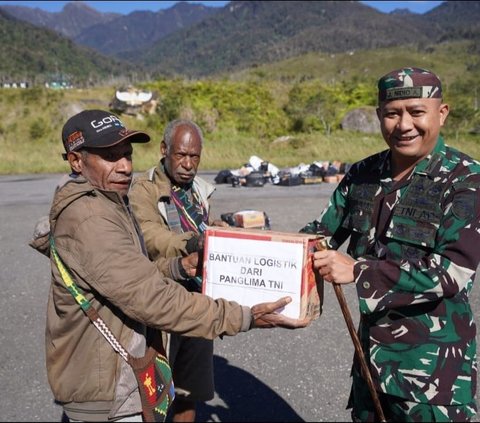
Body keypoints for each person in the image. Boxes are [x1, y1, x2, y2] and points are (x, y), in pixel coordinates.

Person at [29, 109, 310, 422]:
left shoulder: (109, 202)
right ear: (76, 161)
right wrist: (244, 315)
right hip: (106, 389)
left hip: (125, 368)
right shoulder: (93, 218)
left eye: (126, 154)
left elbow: (135, 270)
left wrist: (178, 268)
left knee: (188, 392)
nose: (124, 166)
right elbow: (148, 293)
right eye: (110, 157)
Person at [300, 67, 480, 422]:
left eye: (416, 112)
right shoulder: (363, 175)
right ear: (380, 115)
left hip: (432, 380)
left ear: (441, 113)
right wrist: (249, 250)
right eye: (392, 113)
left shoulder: (466, 179)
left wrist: (358, 270)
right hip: (371, 367)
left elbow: (452, 272)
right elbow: (320, 234)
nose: (403, 125)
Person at [129, 119, 227, 422]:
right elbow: (152, 238)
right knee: (156, 395)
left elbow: (207, 232)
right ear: (164, 150)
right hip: (162, 302)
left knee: (190, 392)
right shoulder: (144, 189)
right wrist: (196, 240)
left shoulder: (199, 190)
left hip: (198, 301)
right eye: (180, 155)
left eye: (194, 157)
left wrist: (222, 233)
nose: (187, 164)